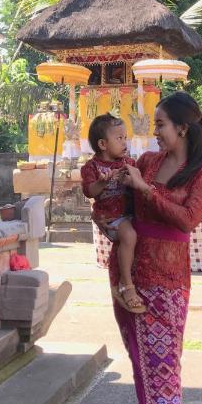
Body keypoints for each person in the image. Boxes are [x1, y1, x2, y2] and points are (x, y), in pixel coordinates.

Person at [117, 92, 202, 404]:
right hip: (128, 277)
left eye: (160, 124)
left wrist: (146, 191)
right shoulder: (147, 163)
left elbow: (187, 221)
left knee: (165, 376)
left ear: (183, 128)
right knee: (145, 373)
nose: (153, 132)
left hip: (170, 284)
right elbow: (122, 206)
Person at [80, 113, 144, 313]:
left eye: (125, 137)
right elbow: (89, 191)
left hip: (128, 213)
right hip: (111, 217)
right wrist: (103, 182)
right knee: (129, 235)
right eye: (119, 138)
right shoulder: (91, 167)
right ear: (102, 144)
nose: (125, 142)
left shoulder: (129, 163)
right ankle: (126, 283)